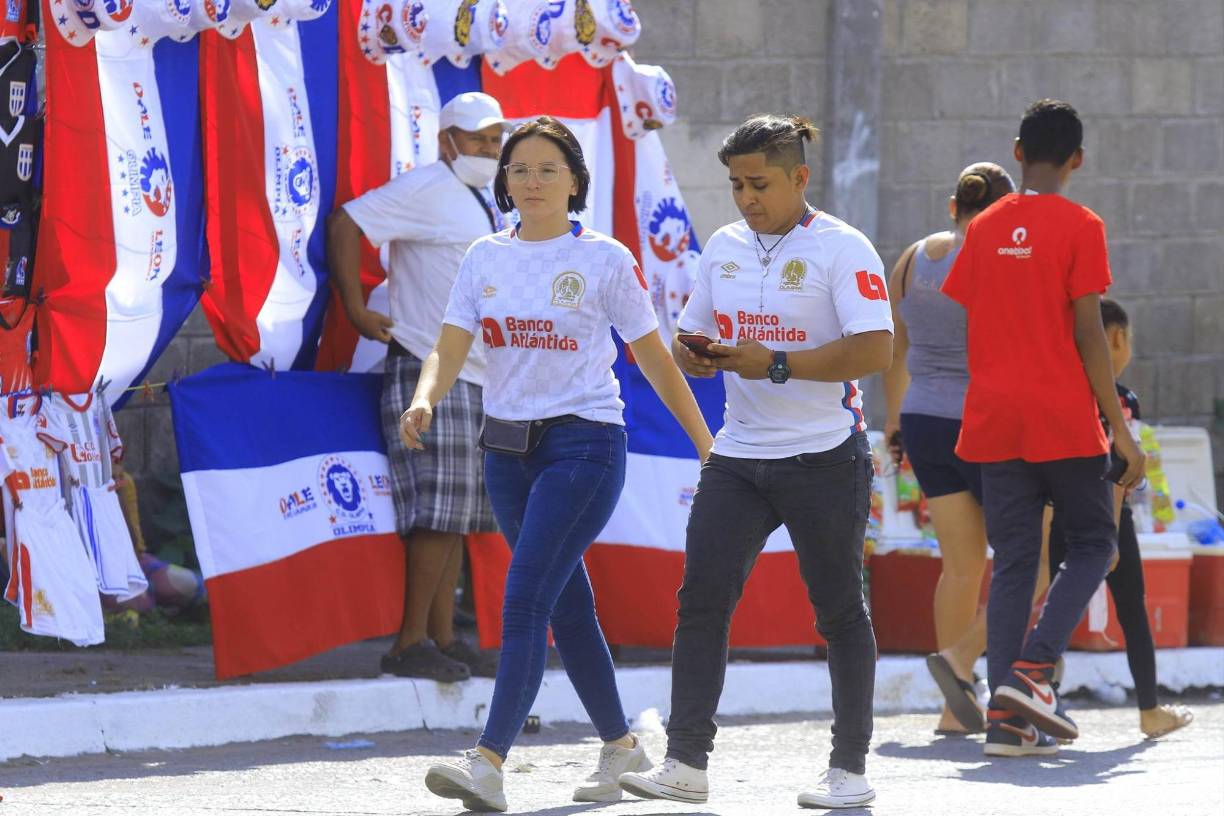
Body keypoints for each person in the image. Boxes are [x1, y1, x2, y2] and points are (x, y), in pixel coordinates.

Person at [406, 116, 713, 813]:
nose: (531, 181)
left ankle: (487, 761)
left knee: (526, 597)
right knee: (568, 604)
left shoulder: (604, 259)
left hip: (586, 444)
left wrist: (704, 440)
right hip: (506, 449)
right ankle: (623, 749)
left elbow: (654, 359)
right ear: (505, 183)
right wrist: (426, 398)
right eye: (519, 169)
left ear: (575, 180)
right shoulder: (485, 255)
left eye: (548, 169)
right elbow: (449, 346)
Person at [619, 113, 893, 809]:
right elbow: (695, 331)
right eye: (737, 184)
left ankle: (850, 770)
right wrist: (695, 354)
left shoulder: (843, 247)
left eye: (761, 184)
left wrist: (772, 363)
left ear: (800, 178)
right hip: (737, 455)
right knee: (701, 603)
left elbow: (873, 351)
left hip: (825, 457)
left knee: (838, 612)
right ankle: (685, 763)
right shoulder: (723, 246)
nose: (746, 198)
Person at [940, 99, 1146, 758]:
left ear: (1018, 151)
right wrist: (1119, 426)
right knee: (1094, 543)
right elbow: (1089, 330)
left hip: (995, 417)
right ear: (1078, 159)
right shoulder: (1082, 225)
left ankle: (1006, 719)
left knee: (1014, 563)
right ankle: (1034, 671)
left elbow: (974, 314)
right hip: (1062, 416)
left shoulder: (985, 226)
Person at [327, 92, 508, 682]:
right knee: (434, 513)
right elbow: (348, 222)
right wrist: (355, 308)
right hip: (428, 367)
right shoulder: (425, 186)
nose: (489, 148)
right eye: (478, 137)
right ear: (446, 140)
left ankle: (441, 636)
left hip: (477, 373)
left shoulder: (484, 194)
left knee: (457, 514)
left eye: (495, 138)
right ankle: (408, 642)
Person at [882, 162, 1021, 735]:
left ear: (952, 207)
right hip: (984, 423)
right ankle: (968, 669)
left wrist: (893, 423)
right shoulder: (1002, 263)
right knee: (1026, 562)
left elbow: (895, 349)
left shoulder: (913, 259)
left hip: (922, 419)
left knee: (960, 568)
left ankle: (953, 705)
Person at [1048, 299, 1193, 740]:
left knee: (1052, 613)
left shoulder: (1059, 389)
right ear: (1117, 338)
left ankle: (1041, 702)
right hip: (1106, 516)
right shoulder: (1122, 399)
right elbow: (1116, 471)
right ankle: (1150, 710)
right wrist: (1109, 534)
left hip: (1057, 513)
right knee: (1132, 611)